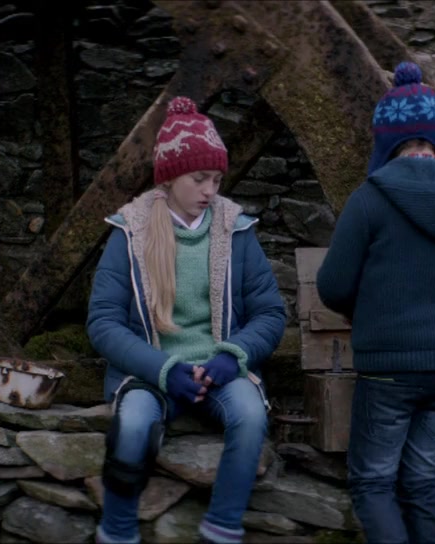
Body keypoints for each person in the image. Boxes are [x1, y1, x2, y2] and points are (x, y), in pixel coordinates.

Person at [316, 61, 435, 544]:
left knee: (373, 482)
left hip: (387, 366)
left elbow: (332, 286)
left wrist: (370, 306)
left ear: (386, 142)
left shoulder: (370, 197)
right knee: (422, 479)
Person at [87, 96, 286, 544]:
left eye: (216, 179)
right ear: (170, 176)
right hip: (152, 373)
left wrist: (233, 357)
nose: (210, 190)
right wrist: (163, 370)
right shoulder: (129, 233)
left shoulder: (236, 231)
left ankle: (222, 528)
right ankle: (117, 532)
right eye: (199, 179)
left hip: (222, 370)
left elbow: (271, 313)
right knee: (132, 425)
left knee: (250, 416)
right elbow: (103, 322)